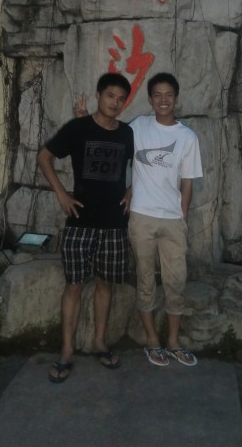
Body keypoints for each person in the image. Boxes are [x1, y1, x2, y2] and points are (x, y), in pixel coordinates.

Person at [37, 72, 134, 382]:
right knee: (74, 286)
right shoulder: (78, 128)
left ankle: (99, 342)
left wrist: (132, 188)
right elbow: (44, 157)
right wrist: (61, 193)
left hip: (114, 225)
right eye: (110, 96)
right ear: (98, 96)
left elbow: (143, 166)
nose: (115, 103)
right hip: (80, 223)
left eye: (121, 99)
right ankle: (66, 350)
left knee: (106, 285)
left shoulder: (127, 133)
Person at [129, 72, 203, 367]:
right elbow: (112, 142)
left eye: (168, 95)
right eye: (157, 95)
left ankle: (173, 341)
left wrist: (182, 217)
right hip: (142, 217)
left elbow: (188, 182)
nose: (163, 100)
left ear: (176, 98)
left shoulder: (187, 137)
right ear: (150, 99)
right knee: (145, 279)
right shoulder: (138, 127)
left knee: (176, 281)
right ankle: (152, 340)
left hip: (172, 220)